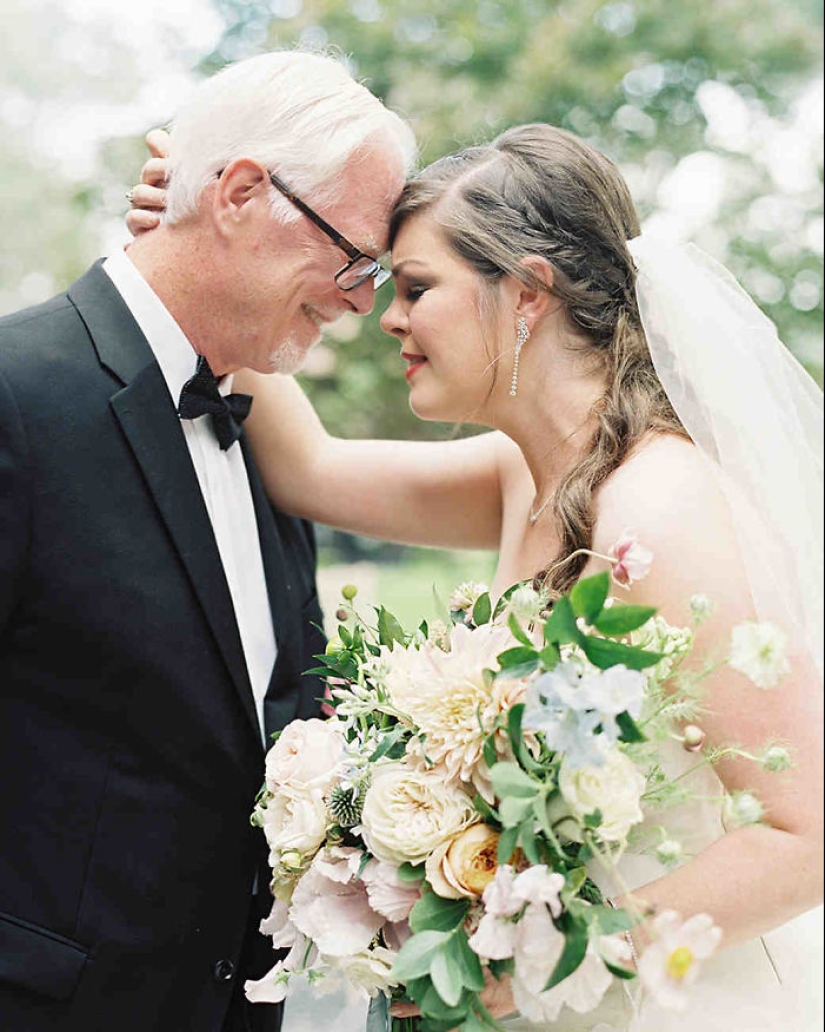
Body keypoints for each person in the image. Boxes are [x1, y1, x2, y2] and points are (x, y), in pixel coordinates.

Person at [129, 123, 823, 1030]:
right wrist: (209, 259)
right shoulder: (520, 470)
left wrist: (560, 956)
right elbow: (312, 471)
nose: (389, 317)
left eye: (417, 288)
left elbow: (803, 833)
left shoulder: (658, 505)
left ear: (527, 293)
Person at [0, 50, 415, 1032]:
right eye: (355, 259)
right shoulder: (18, 397)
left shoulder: (267, 440)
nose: (363, 301)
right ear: (238, 194)